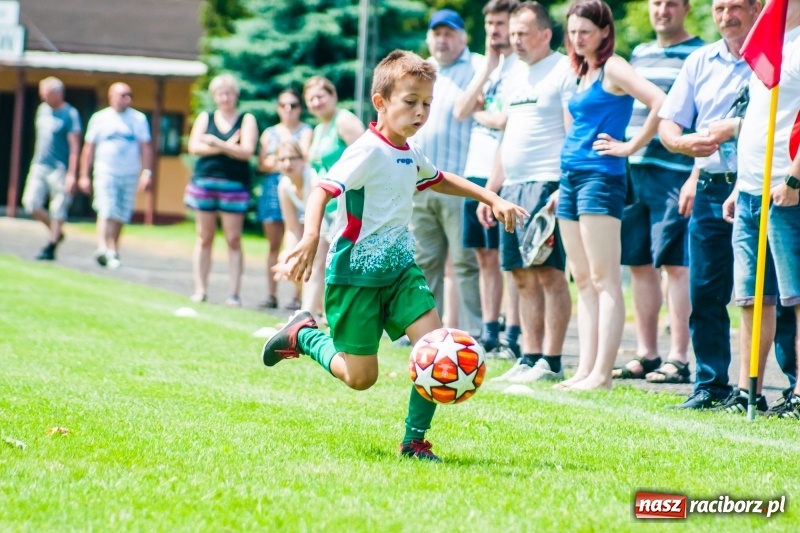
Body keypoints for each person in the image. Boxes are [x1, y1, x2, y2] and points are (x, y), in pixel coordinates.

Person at [262, 50, 528, 462]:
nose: (420, 112)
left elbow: (439, 179)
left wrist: (491, 197)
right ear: (381, 102)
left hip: (401, 269)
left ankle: (414, 441)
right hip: (355, 274)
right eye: (411, 101)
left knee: (434, 346)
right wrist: (311, 235)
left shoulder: (409, 151)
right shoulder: (367, 151)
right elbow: (321, 190)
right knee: (360, 377)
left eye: (427, 103)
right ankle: (304, 335)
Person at [657, 0, 776, 409]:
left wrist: (735, 129)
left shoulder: (774, 55)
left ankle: (782, 390)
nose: (727, 16)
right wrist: (681, 143)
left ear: (757, 8)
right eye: (719, 8)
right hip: (710, 189)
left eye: (735, 7)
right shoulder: (699, 61)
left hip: (762, 188)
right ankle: (710, 385)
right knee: (706, 292)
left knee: (770, 295)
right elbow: (668, 123)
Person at [555, 0, 665, 391]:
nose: (577, 38)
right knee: (583, 279)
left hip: (601, 179)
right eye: (572, 31)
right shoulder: (580, 70)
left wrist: (630, 145)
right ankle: (585, 371)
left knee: (605, 280)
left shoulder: (613, 66)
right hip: (569, 178)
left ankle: (602, 376)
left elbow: (660, 102)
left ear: (604, 31)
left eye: (585, 31)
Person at [478, 1, 575, 383]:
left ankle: (552, 361)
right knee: (519, 275)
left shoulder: (564, 69)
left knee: (549, 274)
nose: (515, 40)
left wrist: (564, 185)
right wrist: (491, 191)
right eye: (513, 32)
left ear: (545, 34)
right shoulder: (514, 73)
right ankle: (529, 356)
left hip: (547, 184)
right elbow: (508, 137)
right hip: (512, 189)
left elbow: (572, 132)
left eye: (523, 33)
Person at [613, 0, 705, 384]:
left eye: (670, 3)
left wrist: (695, 175)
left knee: (675, 266)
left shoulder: (699, 55)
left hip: (675, 174)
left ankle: (679, 358)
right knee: (638, 265)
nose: (662, 10)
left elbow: (705, 117)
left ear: (686, 8)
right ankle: (647, 354)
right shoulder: (639, 53)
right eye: (656, 3)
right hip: (635, 173)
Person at [723, 0, 800, 417]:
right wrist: (740, 184)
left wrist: (794, 179)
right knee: (752, 299)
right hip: (752, 190)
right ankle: (746, 391)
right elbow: (758, 117)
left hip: (786, 190)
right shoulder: (768, 39)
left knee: (797, 298)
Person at [410, 9, 484, 340]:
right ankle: (427, 334)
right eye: (436, 33)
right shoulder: (422, 70)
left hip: (459, 182)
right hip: (421, 183)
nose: (442, 40)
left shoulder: (479, 66)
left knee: (465, 262)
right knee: (425, 262)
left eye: (449, 33)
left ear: (463, 37)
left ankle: (474, 331)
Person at [453, 0, 520, 354]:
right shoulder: (487, 66)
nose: (494, 31)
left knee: (510, 259)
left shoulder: (522, 66)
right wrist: (488, 68)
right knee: (484, 256)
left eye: (501, 24)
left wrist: (481, 114)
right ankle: (489, 330)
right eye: (490, 24)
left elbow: (507, 120)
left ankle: (514, 332)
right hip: (475, 171)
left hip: (505, 172)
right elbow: (460, 110)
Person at [185, 74, 258, 307]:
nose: (225, 98)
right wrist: (228, 147)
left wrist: (215, 143)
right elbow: (194, 147)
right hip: (204, 182)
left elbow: (246, 151)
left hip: (234, 185)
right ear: (214, 96)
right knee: (204, 237)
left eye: (229, 93)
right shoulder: (205, 117)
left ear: (236, 95)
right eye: (220, 94)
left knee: (233, 239)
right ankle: (200, 290)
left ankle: (234, 294)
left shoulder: (246, 119)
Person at [304, 76, 366, 320]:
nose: (316, 102)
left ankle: (343, 319)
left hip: (347, 207)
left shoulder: (345, 121)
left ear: (333, 96)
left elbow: (368, 158)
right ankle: (306, 317)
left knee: (342, 265)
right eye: (311, 99)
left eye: (320, 96)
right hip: (326, 208)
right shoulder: (320, 128)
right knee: (317, 261)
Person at [79, 82, 152, 269]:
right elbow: (88, 148)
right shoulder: (100, 118)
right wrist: (84, 175)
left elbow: (145, 147)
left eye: (129, 95)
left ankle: (113, 250)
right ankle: (102, 248)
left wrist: (147, 172)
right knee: (106, 208)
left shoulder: (138, 119)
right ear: (111, 97)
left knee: (121, 213)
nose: (126, 99)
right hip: (105, 170)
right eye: (122, 95)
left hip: (129, 172)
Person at [256, 89, 313, 309]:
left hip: (300, 186)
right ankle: (271, 294)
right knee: (274, 245)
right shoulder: (269, 132)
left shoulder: (306, 130)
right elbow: (263, 164)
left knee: (302, 239)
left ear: (300, 108)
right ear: (278, 108)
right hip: (275, 189)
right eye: (283, 105)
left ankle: (299, 296)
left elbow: (304, 156)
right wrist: (288, 157)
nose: (288, 109)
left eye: (293, 105)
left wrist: (280, 158)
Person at [21, 77, 82, 261]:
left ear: (58, 94)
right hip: (39, 164)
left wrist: (72, 174)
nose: (42, 97)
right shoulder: (42, 110)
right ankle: (56, 231)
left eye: (46, 94)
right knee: (31, 203)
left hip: (60, 168)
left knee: (58, 207)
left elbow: (75, 147)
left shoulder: (70, 114)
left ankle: (52, 245)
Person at [275, 141, 316, 309]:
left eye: (292, 158)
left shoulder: (313, 179)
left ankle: (313, 309)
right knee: (286, 262)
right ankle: (315, 307)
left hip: (331, 229)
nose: (287, 164)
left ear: (303, 159)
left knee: (312, 263)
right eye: (282, 159)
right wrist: (288, 253)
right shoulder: (284, 186)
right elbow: (291, 227)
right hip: (313, 230)